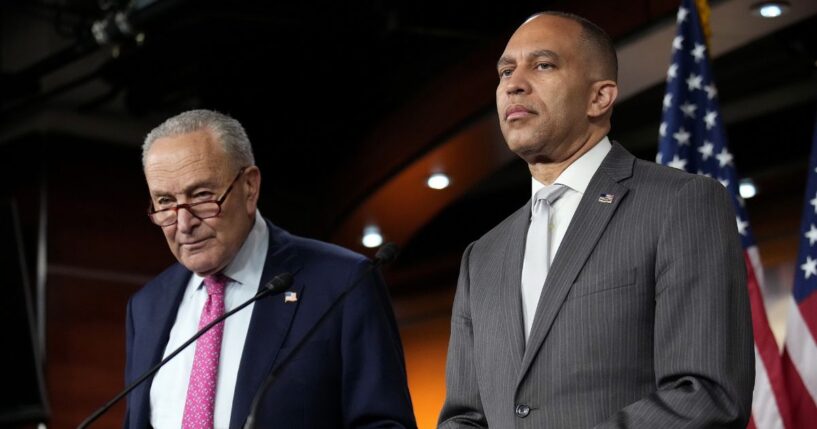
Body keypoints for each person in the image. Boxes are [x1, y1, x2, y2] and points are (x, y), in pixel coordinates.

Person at [438, 11, 754, 428]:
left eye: (543, 64)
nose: (513, 84)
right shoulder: (482, 256)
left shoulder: (680, 203)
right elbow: (465, 416)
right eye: (505, 71)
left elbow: (707, 393)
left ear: (599, 98)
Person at [124, 109, 417, 429]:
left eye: (202, 195)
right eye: (165, 202)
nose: (183, 224)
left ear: (250, 187)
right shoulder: (146, 307)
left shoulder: (343, 283)